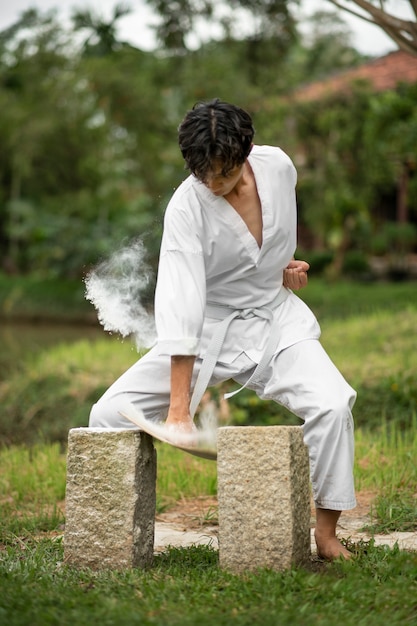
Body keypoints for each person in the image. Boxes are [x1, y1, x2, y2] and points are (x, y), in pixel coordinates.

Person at [89, 99, 356, 561]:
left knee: (333, 405)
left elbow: (271, 236)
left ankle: (327, 535)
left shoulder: (279, 167)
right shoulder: (186, 208)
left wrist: (280, 267)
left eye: (224, 172)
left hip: (276, 320)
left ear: (246, 153)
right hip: (207, 328)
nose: (213, 183)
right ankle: (115, 534)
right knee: (108, 413)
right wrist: (178, 412)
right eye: (203, 174)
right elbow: (182, 301)